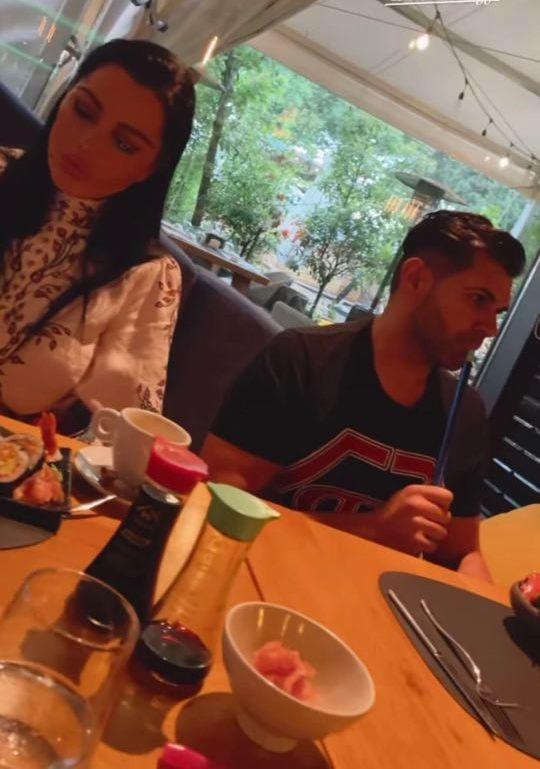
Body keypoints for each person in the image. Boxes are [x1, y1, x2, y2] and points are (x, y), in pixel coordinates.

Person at [202, 211, 526, 581]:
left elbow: (463, 553)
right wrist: (371, 529)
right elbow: (215, 504)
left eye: (498, 312)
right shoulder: (301, 361)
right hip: (257, 581)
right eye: (478, 300)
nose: (491, 327)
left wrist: (484, 606)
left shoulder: (465, 413)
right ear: (416, 278)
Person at [0, 39, 195, 431]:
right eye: (84, 111)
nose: (86, 143)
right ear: (65, 97)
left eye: (124, 144)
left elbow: (124, 434)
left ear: (150, 168)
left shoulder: (144, 275)